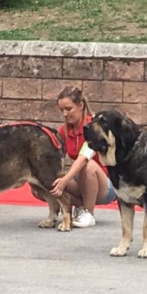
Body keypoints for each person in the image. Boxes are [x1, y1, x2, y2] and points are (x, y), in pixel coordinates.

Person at [48, 86, 117, 228]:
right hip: (81, 181)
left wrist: (64, 180)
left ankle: (89, 213)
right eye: (62, 110)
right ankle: (79, 205)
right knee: (45, 183)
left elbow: (84, 157)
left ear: (80, 105)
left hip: (105, 184)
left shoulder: (95, 127)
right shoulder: (64, 130)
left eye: (68, 109)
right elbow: (55, 156)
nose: (65, 114)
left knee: (88, 165)